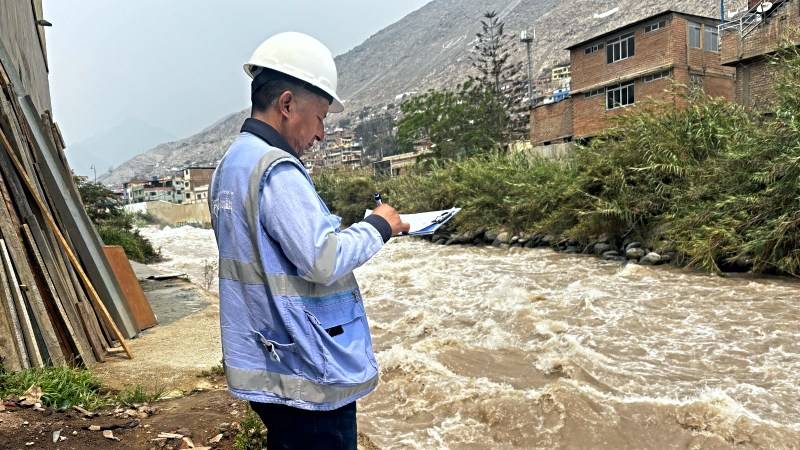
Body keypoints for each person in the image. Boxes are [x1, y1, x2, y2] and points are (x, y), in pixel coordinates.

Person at [208, 32, 410, 449]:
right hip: (307, 372)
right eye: (319, 118)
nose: (320, 134)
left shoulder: (232, 163)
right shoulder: (276, 169)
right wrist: (379, 225)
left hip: (270, 362)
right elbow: (323, 260)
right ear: (286, 105)